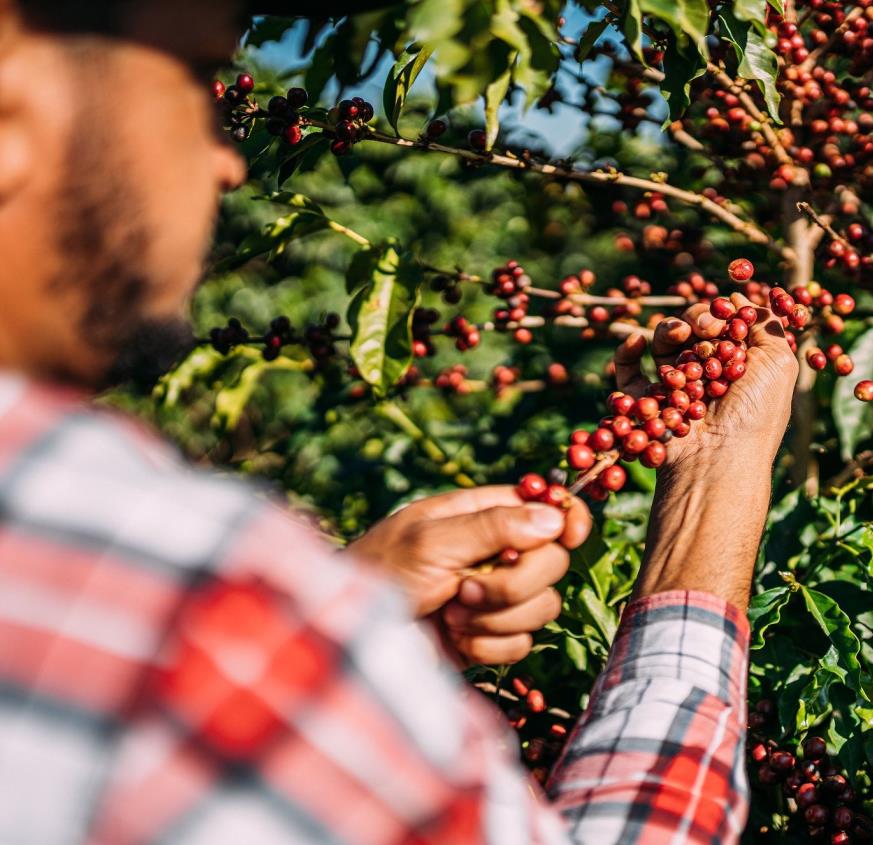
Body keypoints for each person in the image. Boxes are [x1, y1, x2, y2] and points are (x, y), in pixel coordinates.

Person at [0, 1, 799, 842]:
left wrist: (331, 646)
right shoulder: (178, 587)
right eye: (194, 82)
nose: (226, 163)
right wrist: (719, 485)